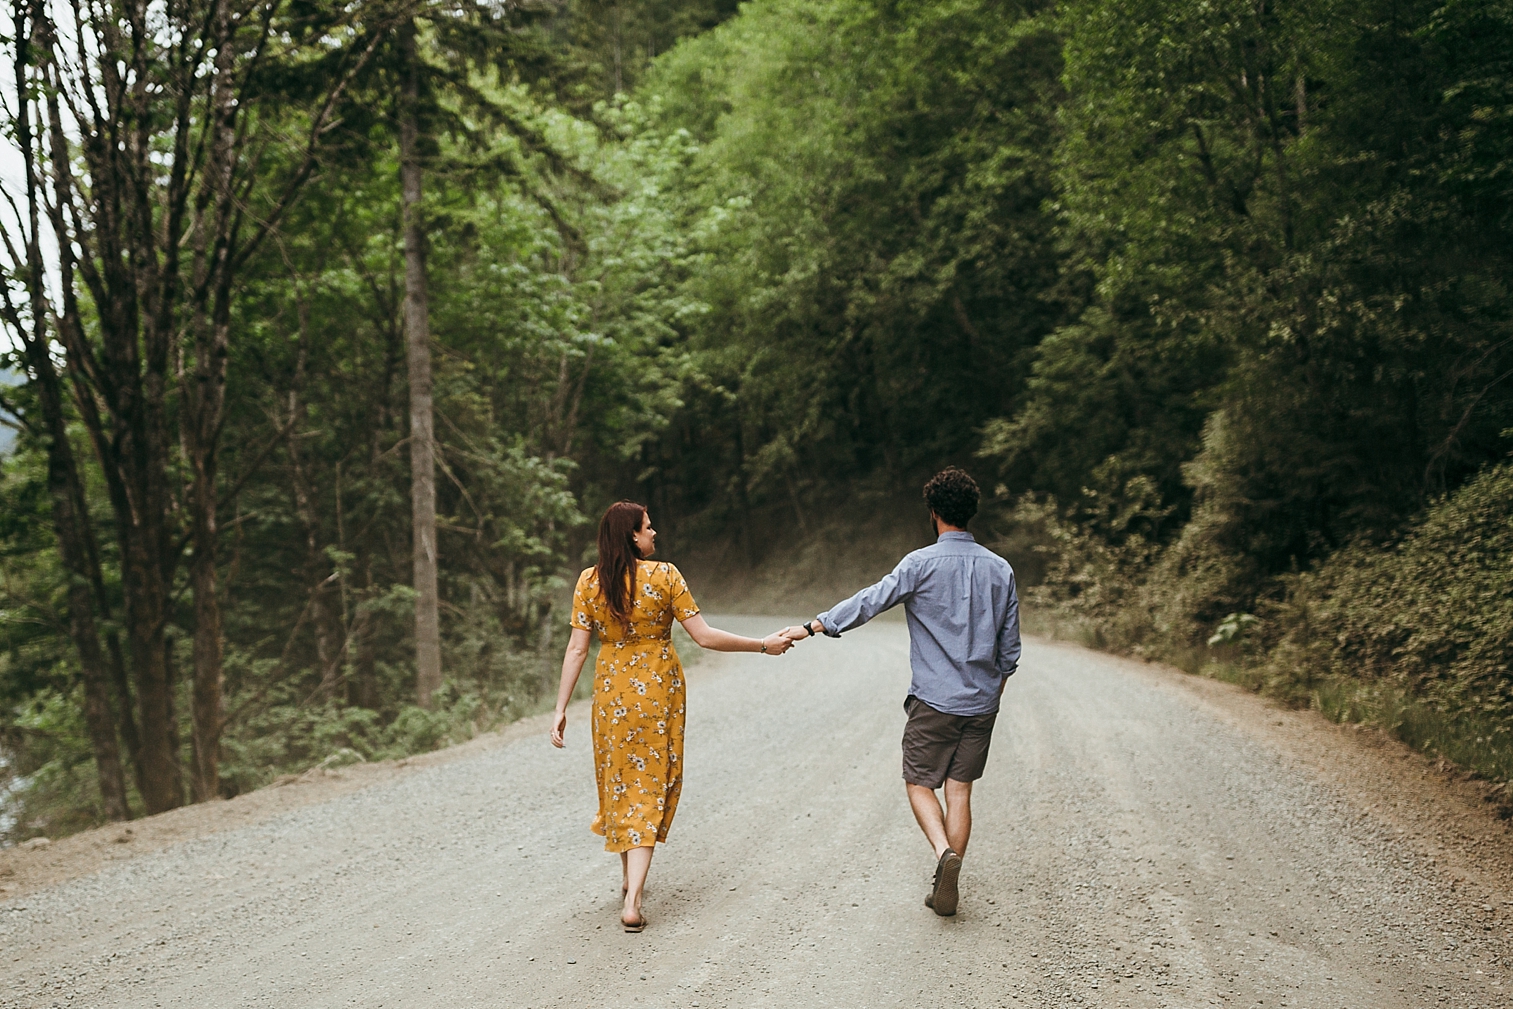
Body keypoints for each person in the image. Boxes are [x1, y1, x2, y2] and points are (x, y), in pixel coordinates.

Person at [781, 467, 1019, 917]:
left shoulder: (920, 564)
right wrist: (992, 693)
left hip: (933, 700)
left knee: (918, 783)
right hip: (982, 703)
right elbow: (1010, 651)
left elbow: (870, 601)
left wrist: (814, 626)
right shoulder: (1001, 569)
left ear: (933, 514)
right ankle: (951, 872)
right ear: (971, 513)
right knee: (960, 791)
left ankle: (942, 855)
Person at [551, 501, 795, 932]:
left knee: (620, 780)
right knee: (648, 785)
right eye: (648, 527)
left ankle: (629, 880)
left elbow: (576, 649)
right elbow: (704, 636)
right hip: (658, 693)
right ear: (632, 535)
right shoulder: (665, 575)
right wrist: (762, 644)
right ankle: (634, 899)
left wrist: (559, 709)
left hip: (610, 694)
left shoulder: (590, 581)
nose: (654, 533)